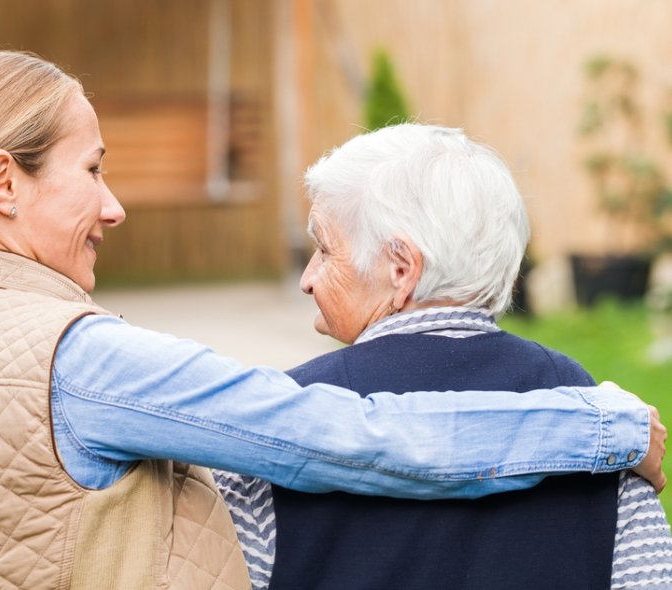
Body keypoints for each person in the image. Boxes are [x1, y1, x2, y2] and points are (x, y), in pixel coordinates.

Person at [0, 52, 664, 589]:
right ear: (3, 183)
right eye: (92, 170)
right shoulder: (77, 361)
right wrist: (610, 426)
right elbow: (351, 438)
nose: (114, 205)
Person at [215, 124, 672, 590]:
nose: (307, 279)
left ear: (401, 268)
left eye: (324, 249)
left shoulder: (280, 418)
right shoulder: (595, 415)